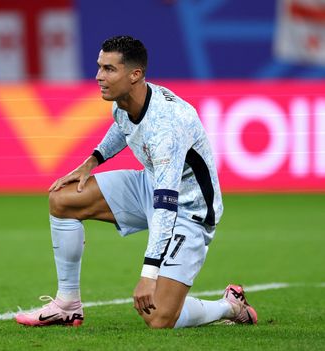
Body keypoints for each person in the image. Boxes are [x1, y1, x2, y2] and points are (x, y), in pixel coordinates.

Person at [15, 35, 257, 328]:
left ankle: (228, 306)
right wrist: (92, 161)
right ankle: (68, 304)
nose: (98, 77)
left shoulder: (167, 125)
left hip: (187, 210)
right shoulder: (123, 101)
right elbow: (122, 127)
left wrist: (148, 275)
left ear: (135, 74)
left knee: (159, 318)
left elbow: (166, 207)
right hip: (149, 185)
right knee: (63, 199)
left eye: (108, 69)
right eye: (99, 67)